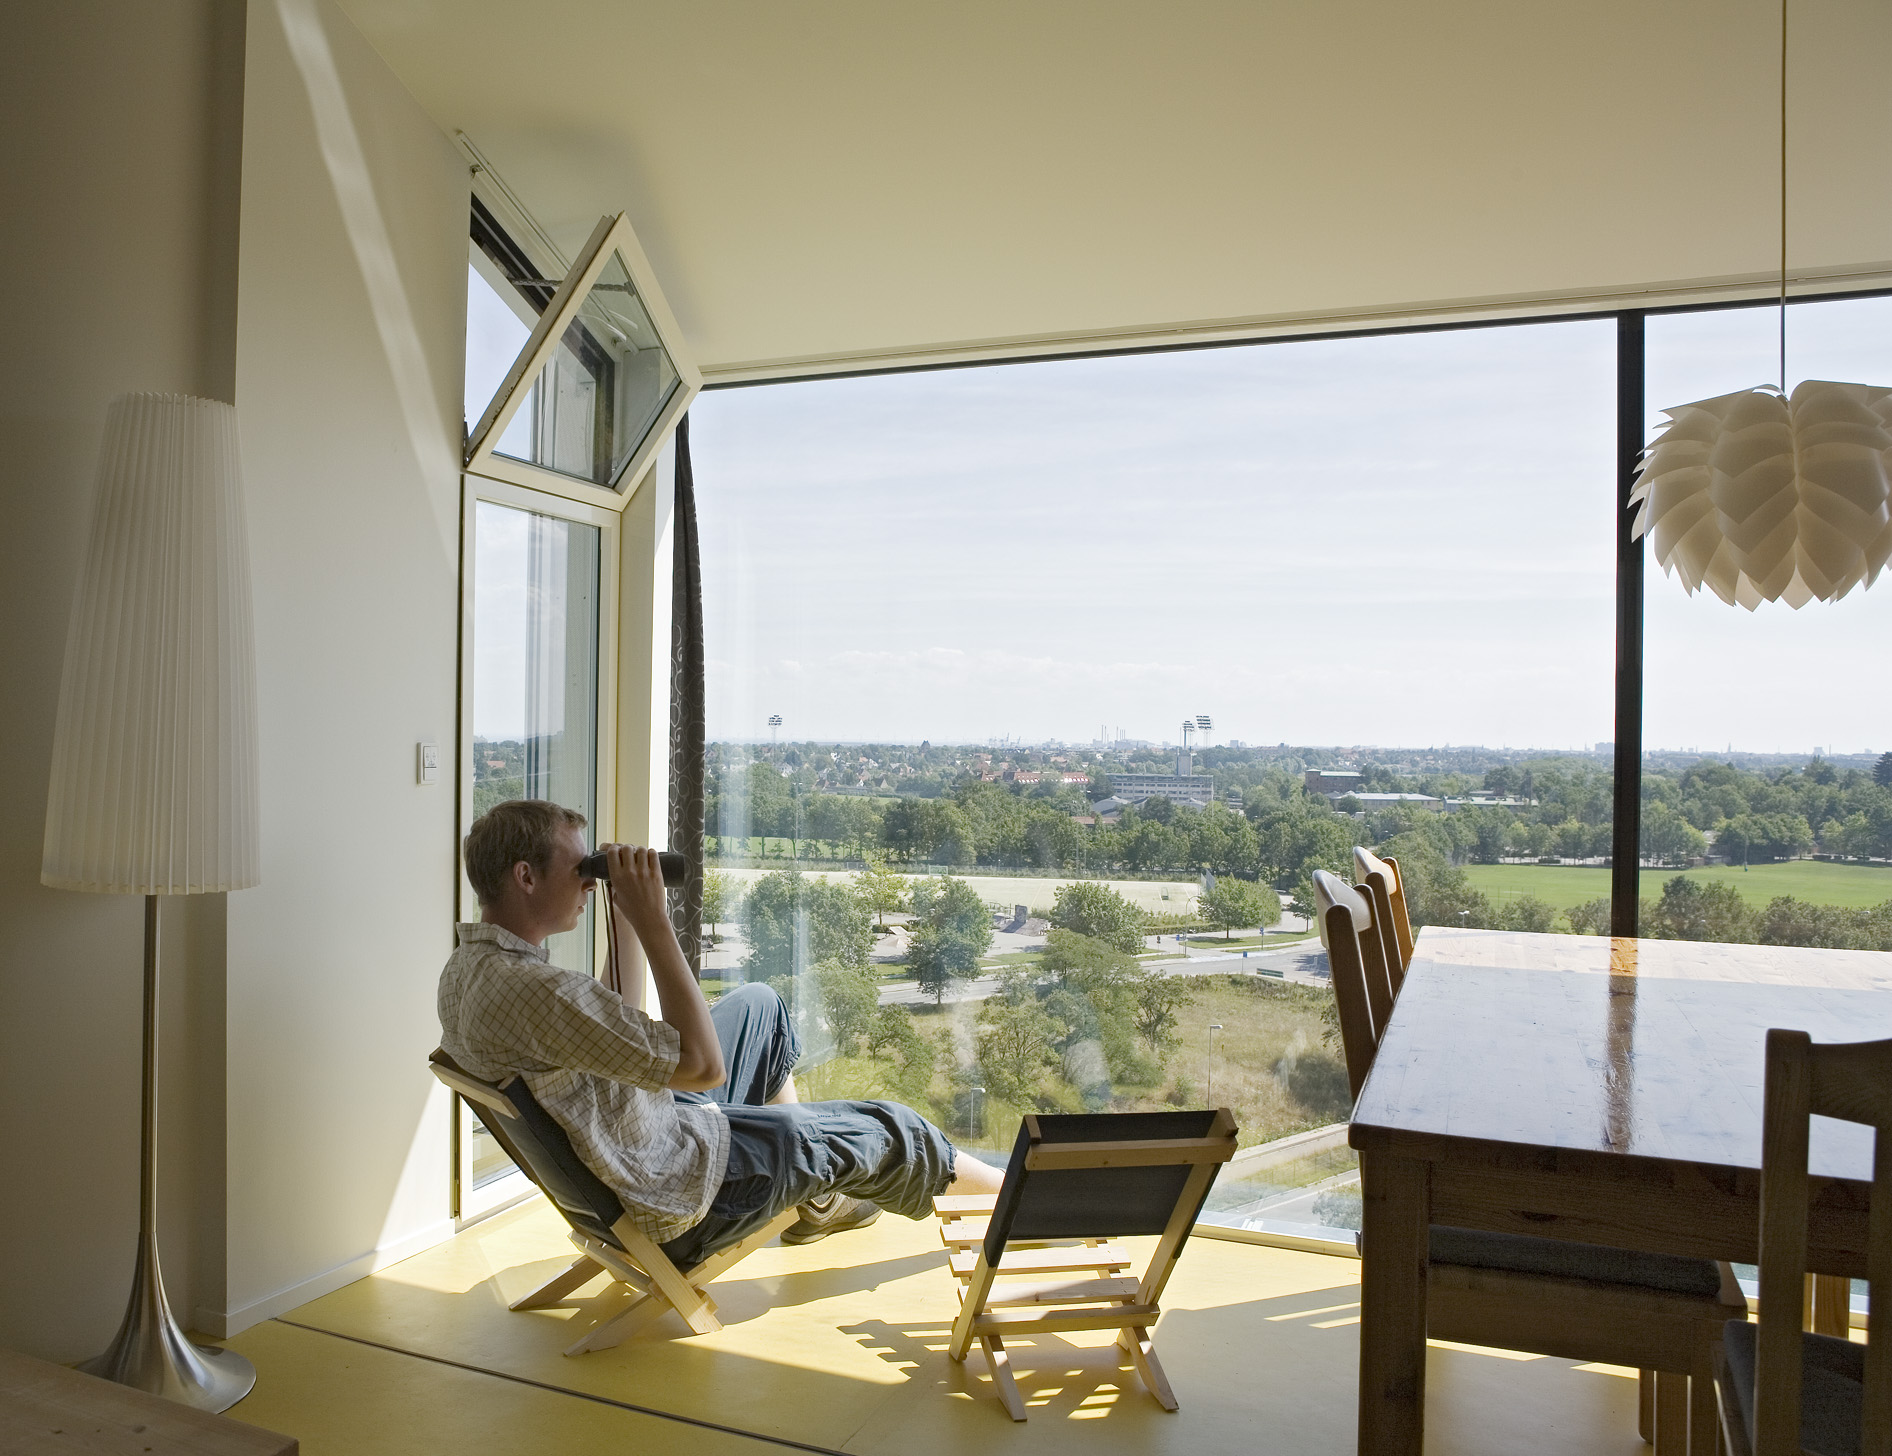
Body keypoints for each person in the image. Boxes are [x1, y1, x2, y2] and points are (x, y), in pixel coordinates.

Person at [438, 799, 1004, 1267]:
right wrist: (656, 920)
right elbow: (705, 1067)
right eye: (580, 869)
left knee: (760, 1006)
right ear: (526, 876)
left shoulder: (471, 971)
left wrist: (628, 920)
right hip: (677, 1189)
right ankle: (1024, 1203)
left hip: (643, 1131)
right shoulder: (539, 992)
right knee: (892, 1127)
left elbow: (612, 1019)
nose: (588, 884)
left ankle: (817, 1195)